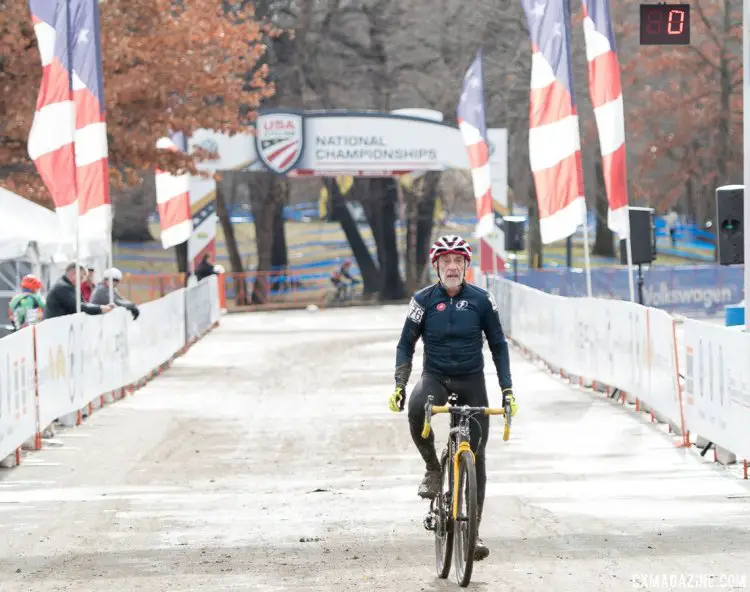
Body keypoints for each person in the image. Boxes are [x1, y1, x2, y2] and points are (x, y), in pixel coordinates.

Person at [388, 234, 517, 562]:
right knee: (418, 407)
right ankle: (433, 467)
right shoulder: (422, 300)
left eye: (457, 261)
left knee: (478, 452)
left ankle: (472, 534)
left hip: (472, 379)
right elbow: (406, 344)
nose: (452, 266)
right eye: (445, 261)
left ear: (465, 265)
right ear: (436, 266)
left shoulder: (482, 300)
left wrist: (507, 389)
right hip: (436, 377)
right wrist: (401, 384)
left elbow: (499, 345)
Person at [45, 263, 114, 319]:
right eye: (81, 278)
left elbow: (84, 304)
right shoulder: (62, 287)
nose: (81, 281)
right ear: (73, 274)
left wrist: (102, 307)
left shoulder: (67, 286)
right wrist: (100, 309)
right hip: (56, 330)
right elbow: (79, 307)